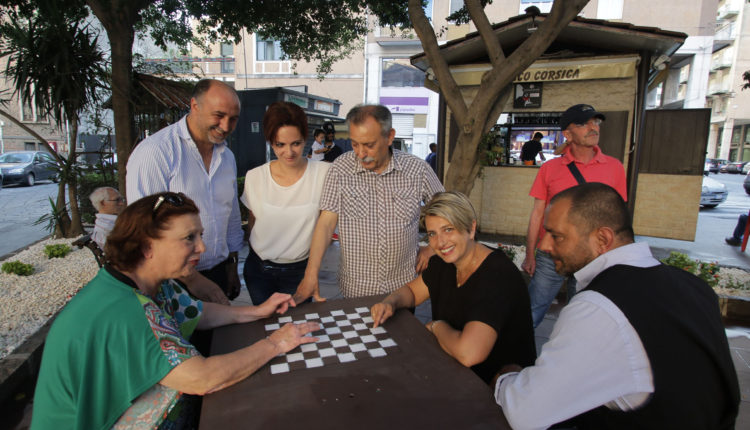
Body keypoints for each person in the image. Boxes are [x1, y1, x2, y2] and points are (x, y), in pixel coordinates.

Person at [31, 192, 319, 430]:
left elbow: (196, 312)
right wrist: (275, 343)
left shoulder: (149, 282)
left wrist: (256, 312)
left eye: (200, 235)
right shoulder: (127, 309)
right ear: (146, 247)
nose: (202, 247)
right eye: (189, 238)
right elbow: (202, 379)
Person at [494, 183, 739, 429]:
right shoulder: (695, 286)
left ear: (603, 238)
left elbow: (526, 411)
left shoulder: (598, 307)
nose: (544, 245)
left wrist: (506, 378)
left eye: (556, 235)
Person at [370, 191, 535, 384]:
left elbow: (469, 354)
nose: (440, 243)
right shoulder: (444, 263)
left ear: (471, 228)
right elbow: (413, 292)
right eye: (432, 234)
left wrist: (436, 327)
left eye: (448, 229)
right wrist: (390, 302)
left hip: (502, 391)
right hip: (458, 375)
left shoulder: (497, 275)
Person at [295, 104, 444, 301]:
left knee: (401, 333)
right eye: (355, 144)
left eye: (369, 145)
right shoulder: (340, 168)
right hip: (356, 288)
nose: (360, 153)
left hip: (403, 288)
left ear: (390, 136)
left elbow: (448, 212)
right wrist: (311, 273)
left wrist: (432, 248)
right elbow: (326, 223)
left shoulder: (417, 169)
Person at [126, 79, 243, 304]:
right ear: (194, 106)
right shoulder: (156, 152)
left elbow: (231, 213)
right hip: (171, 281)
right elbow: (144, 228)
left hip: (219, 271)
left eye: (233, 119)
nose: (226, 126)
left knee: (218, 339)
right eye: (218, 115)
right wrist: (193, 279)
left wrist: (231, 266)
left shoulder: (227, 156)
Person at [522, 104, 627, 328]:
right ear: (567, 134)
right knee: (531, 310)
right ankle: (514, 359)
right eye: (583, 123)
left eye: (595, 122)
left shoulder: (615, 167)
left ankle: (571, 360)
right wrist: (530, 253)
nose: (593, 127)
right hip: (551, 254)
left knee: (581, 317)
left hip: (592, 257)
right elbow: (537, 214)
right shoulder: (550, 169)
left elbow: (618, 217)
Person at [241, 102, 331, 304]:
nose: (288, 152)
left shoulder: (324, 173)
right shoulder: (255, 176)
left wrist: (312, 271)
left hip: (299, 271)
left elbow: (327, 225)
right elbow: (253, 220)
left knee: (297, 329)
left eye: (296, 143)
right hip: (259, 270)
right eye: (280, 145)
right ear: (270, 142)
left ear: (305, 139)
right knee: (267, 329)